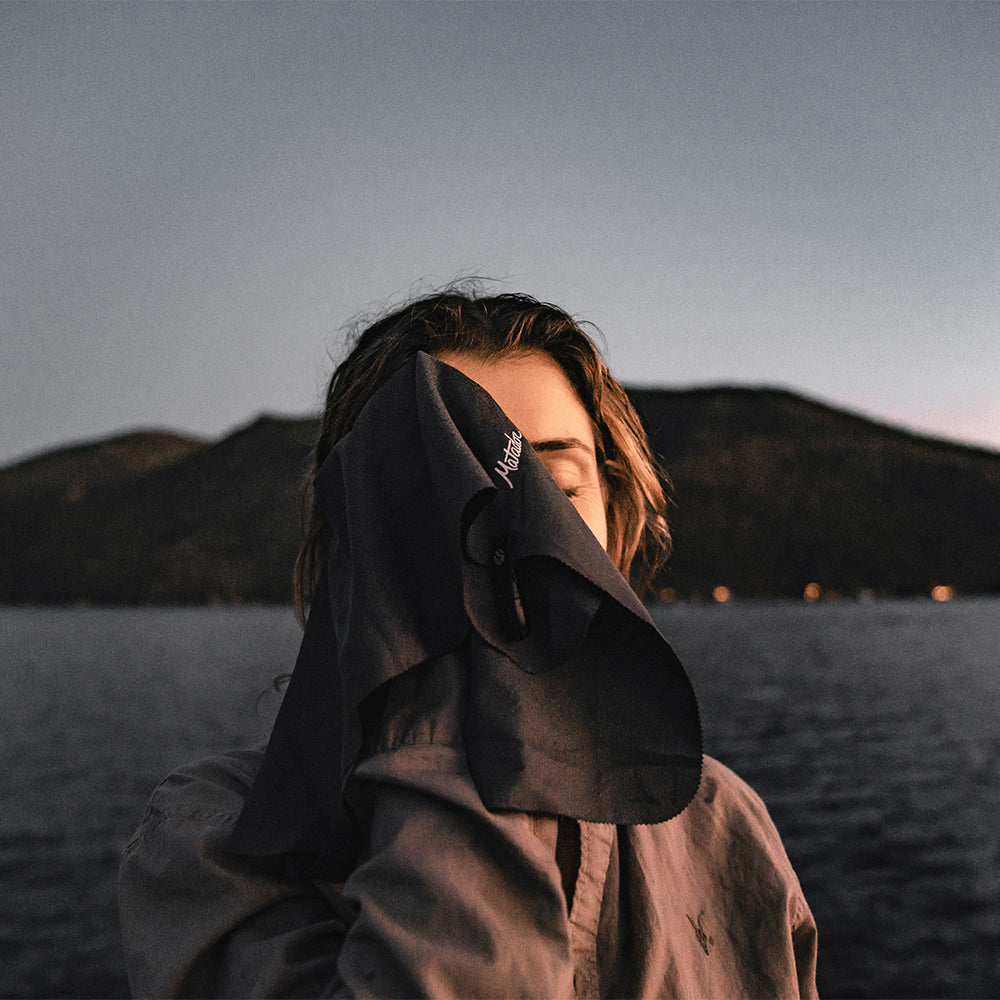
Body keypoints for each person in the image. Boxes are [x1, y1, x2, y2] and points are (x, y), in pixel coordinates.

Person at [118, 290, 818, 998]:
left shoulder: (721, 822)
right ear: (362, 538)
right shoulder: (211, 837)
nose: (513, 529)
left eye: (557, 487)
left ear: (617, 518)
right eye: (450, 487)